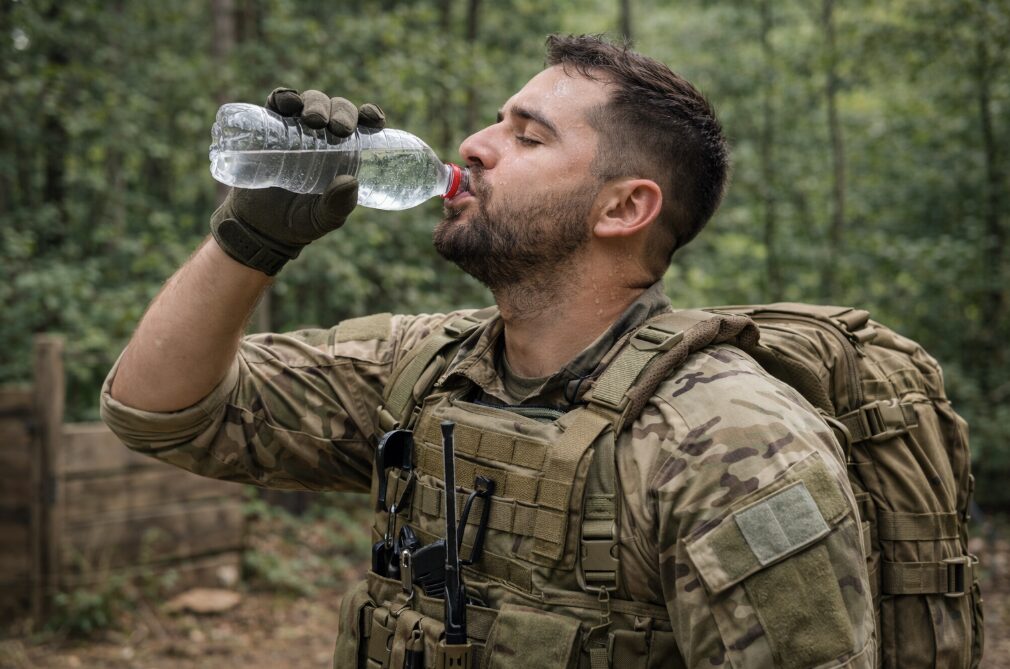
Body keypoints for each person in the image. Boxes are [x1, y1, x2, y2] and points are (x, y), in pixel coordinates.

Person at [102, 34, 876, 668]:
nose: (474, 145)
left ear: (625, 207)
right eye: (496, 122)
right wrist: (251, 240)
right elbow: (157, 411)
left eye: (526, 135)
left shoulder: (731, 442)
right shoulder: (420, 366)